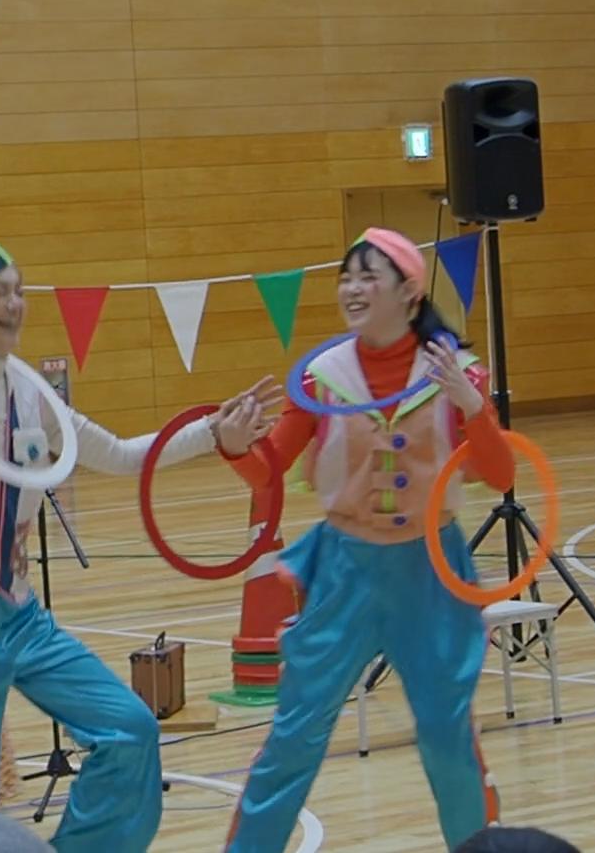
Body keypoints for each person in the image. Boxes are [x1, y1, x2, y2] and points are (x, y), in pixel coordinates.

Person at [0, 238, 269, 853]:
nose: (16, 304)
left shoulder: (33, 396)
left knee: (130, 730)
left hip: (18, 614)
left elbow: (124, 456)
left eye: (20, 291)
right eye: (0, 292)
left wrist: (213, 434)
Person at [219, 227, 517, 853]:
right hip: (343, 570)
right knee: (296, 734)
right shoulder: (322, 377)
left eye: (367, 276)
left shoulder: (455, 373)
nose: (351, 289)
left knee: (447, 735)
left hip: (431, 572)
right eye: (346, 277)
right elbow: (269, 474)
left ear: (409, 292)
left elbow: (500, 474)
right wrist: (236, 446)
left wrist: (473, 408)